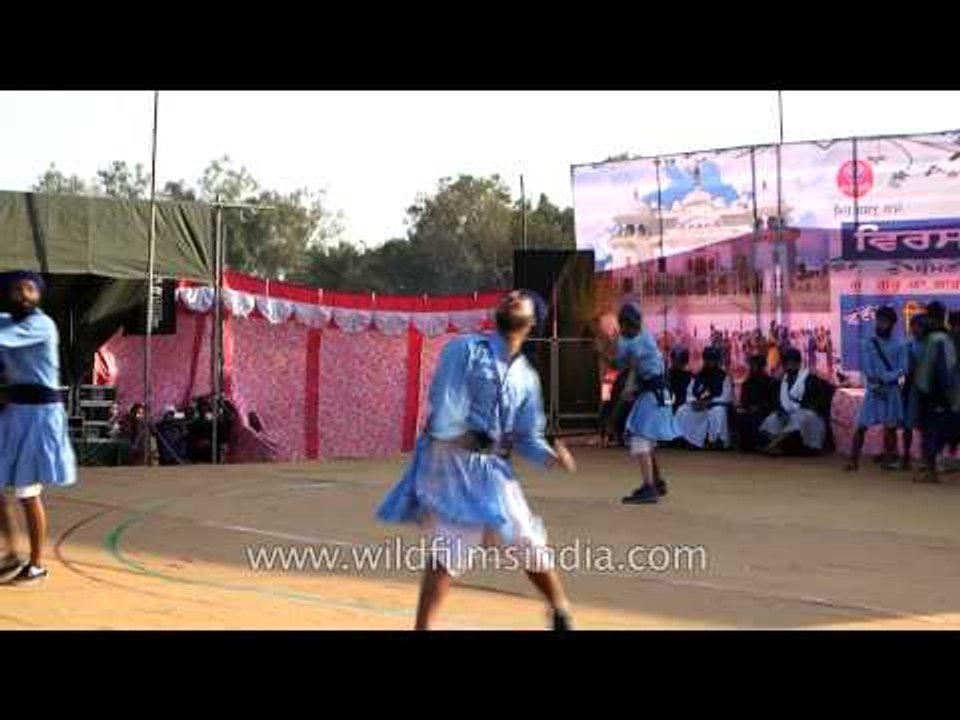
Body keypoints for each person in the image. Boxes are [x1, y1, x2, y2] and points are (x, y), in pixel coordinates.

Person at [377, 290, 577, 631]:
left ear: (531, 322)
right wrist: (460, 434)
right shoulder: (465, 348)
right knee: (451, 548)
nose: (512, 296)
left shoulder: (527, 377)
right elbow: (444, 399)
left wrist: (550, 456)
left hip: (493, 470)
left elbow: (527, 436)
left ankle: (560, 611)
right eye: (509, 295)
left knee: (526, 540)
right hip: (450, 462)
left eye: (521, 297)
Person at [0, 272, 77, 584]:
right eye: (17, 288)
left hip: (41, 416)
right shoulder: (5, 320)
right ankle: (10, 555)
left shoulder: (42, 325)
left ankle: (35, 565)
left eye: (29, 289)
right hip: (13, 413)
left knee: (27, 493)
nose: (23, 294)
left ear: (39, 295)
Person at [599, 302, 678, 505]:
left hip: (655, 391)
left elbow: (619, 364)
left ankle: (649, 488)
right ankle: (656, 482)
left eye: (632, 324)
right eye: (626, 324)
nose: (629, 328)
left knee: (640, 437)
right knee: (646, 437)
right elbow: (618, 363)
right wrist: (607, 348)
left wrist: (604, 349)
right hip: (652, 392)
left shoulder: (641, 341)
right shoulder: (628, 339)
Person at [846, 306, 906, 472]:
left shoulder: (900, 344)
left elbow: (903, 368)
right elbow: (866, 367)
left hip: (892, 390)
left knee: (891, 427)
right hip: (873, 390)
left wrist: (886, 379)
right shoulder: (868, 342)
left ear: (893, 324)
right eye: (879, 320)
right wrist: (875, 383)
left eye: (885, 322)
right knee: (861, 425)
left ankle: (890, 459)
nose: (881, 324)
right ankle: (853, 460)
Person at [913, 302, 960, 484]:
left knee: (932, 432)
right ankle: (931, 471)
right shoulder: (937, 337)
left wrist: (944, 393)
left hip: (934, 392)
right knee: (932, 432)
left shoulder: (938, 339)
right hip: (935, 391)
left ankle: (932, 473)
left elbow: (944, 369)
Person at [760, 347, 829, 455]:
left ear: (797, 363)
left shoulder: (809, 378)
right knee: (771, 420)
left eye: (789, 362)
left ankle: (773, 445)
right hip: (789, 413)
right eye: (786, 363)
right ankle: (778, 445)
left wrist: (800, 408)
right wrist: (780, 410)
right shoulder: (783, 380)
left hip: (809, 414)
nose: (787, 365)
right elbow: (780, 401)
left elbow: (817, 400)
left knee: (798, 419)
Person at [675, 346, 733, 449]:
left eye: (712, 359)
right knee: (682, 410)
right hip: (699, 406)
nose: (709, 362)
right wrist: (694, 402)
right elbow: (689, 393)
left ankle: (715, 442)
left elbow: (726, 397)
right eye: (707, 359)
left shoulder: (724, 376)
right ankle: (687, 439)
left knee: (718, 411)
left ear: (717, 361)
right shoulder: (698, 375)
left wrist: (710, 402)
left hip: (714, 406)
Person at [735, 354, 779, 453]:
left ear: (761, 366)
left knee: (757, 417)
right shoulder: (747, 382)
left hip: (765, 410)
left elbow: (773, 401)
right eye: (751, 365)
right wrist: (748, 407)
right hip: (749, 410)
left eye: (754, 365)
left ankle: (762, 444)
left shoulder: (770, 382)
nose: (752, 367)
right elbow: (743, 400)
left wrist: (759, 408)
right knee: (741, 415)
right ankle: (747, 445)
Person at [900, 313, 925, 471]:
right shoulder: (908, 345)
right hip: (911, 387)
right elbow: (905, 368)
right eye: (913, 325)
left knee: (925, 426)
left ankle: (925, 458)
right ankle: (906, 457)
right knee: (907, 426)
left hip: (926, 388)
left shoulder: (930, 344)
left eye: (918, 326)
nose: (915, 329)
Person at [667, 347, 692, 414]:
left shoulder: (687, 376)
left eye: (674, 361)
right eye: (672, 360)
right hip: (670, 405)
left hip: (681, 408)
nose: (672, 362)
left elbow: (683, 394)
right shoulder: (671, 372)